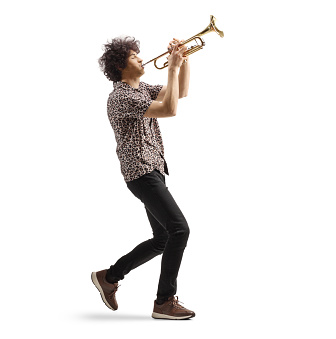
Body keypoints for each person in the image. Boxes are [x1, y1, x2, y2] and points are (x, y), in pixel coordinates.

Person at [92, 36, 194, 320]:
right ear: (121, 66)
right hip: (141, 172)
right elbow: (170, 110)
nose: (141, 59)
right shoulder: (122, 96)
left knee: (163, 238)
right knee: (180, 230)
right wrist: (172, 68)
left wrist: (183, 60)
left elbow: (180, 93)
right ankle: (164, 302)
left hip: (154, 170)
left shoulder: (142, 89)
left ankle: (109, 278)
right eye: (135, 57)